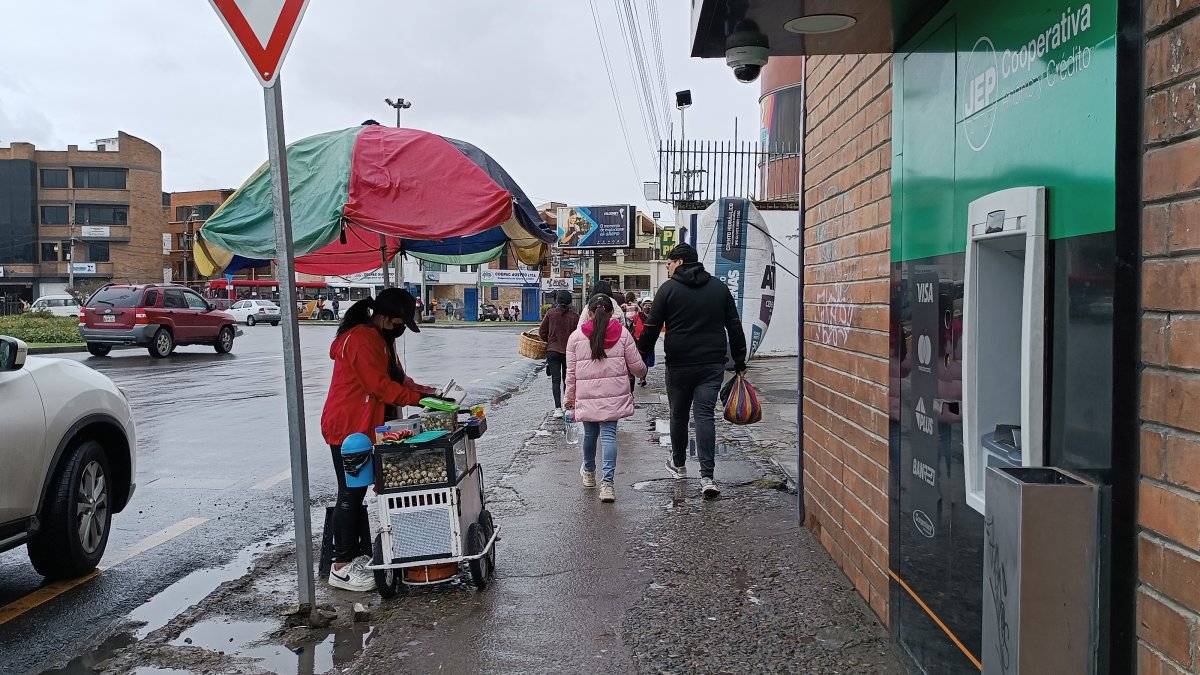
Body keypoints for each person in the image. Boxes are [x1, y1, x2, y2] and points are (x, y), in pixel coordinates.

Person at [320, 288, 438, 591]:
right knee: (350, 493)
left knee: (356, 492)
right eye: (400, 323)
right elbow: (380, 387)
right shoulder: (362, 340)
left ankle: (353, 556)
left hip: (365, 425)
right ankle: (341, 567)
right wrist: (420, 399)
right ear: (386, 318)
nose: (401, 329)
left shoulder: (381, 339)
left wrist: (430, 393)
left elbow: (399, 379)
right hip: (348, 427)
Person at [637, 243, 747, 499]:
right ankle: (707, 477)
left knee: (678, 415)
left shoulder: (668, 290)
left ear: (680, 262)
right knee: (705, 416)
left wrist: (640, 359)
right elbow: (734, 326)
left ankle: (679, 465)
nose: (667, 266)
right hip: (711, 364)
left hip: (679, 364)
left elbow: (651, 328)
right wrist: (740, 362)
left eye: (669, 262)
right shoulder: (719, 288)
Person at [564, 294, 647, 503]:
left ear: (589, 313)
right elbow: (637, 366)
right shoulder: (623, 334)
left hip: (587, 396)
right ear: (611, 313)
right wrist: (643, 372)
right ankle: (607, 485)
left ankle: (589, 473)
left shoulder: (576, 337)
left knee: (590, 435)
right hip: (613, 396)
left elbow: (571, 374)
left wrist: (569, 398)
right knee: (609, 436)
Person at [539, 290, 579, 417]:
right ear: (570, 302)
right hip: (569, 352)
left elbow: (542, 332)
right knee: (567, 379)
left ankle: (557, 408)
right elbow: (578, 335)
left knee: (555, 380)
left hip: (553, 351)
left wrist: (550, 341)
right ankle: (567, 406)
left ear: (557, 300)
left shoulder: (550, 313)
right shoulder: (574, 316)